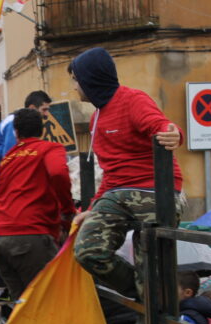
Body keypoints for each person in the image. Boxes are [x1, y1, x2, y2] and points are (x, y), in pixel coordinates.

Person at [70, 47, 183, 305]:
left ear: (90, 78)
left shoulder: (133, 100)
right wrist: (92, 208)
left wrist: (174, 134)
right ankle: (143, 296)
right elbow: (110, 172)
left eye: (76, 79)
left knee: (149, 258)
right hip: (118, 193)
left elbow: (161, 126)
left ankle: (149, 315)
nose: (74, 87)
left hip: (153, 189)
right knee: (88, 251)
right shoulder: (95, 119)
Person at [0, 108, 76, 301]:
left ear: (16, 133)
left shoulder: (8, 159)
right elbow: (58, 173)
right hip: (29, 238)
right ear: (43, 130)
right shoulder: (49, 148)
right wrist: (68, 210)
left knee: (22, 307)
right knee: (48, 301)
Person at [0, 92, 53, 268]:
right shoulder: (14, 124)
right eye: (44, 109)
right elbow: (11, 158)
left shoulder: (27, 126)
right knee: (0, 215)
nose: (47, 114)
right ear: (32, 108)